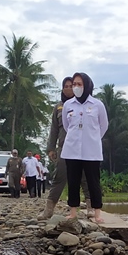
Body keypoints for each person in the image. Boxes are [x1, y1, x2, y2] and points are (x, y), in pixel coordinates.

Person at [61, 72, 108, 223]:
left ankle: (97, 213)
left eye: (79, 84)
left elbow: (103, 126)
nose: (76, 87)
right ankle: (73, 212)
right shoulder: (68, 105)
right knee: (73, 181)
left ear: (86, 85)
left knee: (93, 182)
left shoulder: (97, 105)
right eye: (74, 84)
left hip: (91, 151)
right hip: (72, 149)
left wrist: (92, 138)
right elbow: (67, 126)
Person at [42, 77, 73, 219]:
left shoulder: (82, 106)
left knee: (85, 177)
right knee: (59, 176)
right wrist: (51, 148)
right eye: (65, 86)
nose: (68, 88)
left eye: (71, 85)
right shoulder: (58, 107)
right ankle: (49, 209)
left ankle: (91, 207)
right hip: (63, 147)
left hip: (81, 148)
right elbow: (54, 129)